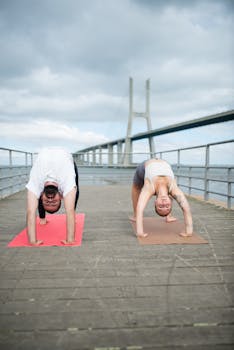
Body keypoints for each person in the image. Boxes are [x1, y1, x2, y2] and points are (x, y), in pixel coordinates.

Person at [26, 147, 79, 245]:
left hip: (45, 151)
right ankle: (43, 217)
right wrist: (70, 240)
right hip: (65, 154)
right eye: (54, 202)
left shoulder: (35, 185)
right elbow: (69, 210)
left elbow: (30, 211)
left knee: (74, 194)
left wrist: (32, 241)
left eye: (47, 202)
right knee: (75, 189)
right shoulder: (67, 184)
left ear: (41, 196)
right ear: (61, 197)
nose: (50, 199)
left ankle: (42, 216)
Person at [130, 158, 193, 238]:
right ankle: (169, 216)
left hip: (144, 167)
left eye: (160, 206)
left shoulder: (149, 188)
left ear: (155, 202)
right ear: (170, 202)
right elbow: (186, 209)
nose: (164, 203)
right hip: (164, 162)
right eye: (167, 206)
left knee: (136, 188)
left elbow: (140, 209)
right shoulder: (174, 189)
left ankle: (135, 216)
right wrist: (189, 232)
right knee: (168, 193)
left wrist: (140, 232)